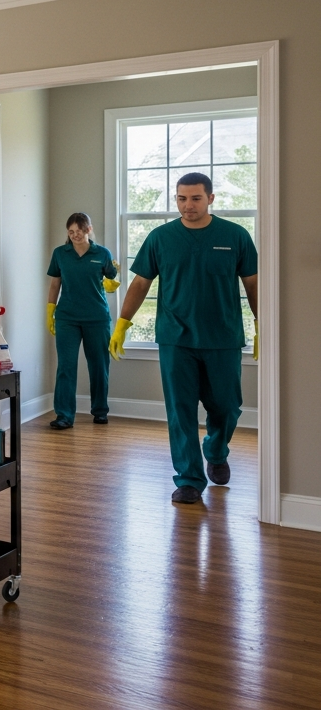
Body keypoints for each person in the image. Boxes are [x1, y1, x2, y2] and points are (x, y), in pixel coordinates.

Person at [112, 173, 258, 505]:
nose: (187, 205)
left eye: (194, 198)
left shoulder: (235, 236)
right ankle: (189, 478)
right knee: (180, 411)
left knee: (227, 407)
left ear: (211, 198)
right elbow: (139, 284)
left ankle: (216, 451)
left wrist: (264, 326)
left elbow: (252, 284)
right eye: (181, 198)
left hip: (223, 337)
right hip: (175, 338)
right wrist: (122, 323)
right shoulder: (161, 238)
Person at [45, 212, 119, 429]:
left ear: (89, 229)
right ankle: (64, 415)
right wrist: (51, 311)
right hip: (67, 318)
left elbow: (112, 277)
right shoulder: (60, 253)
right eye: (70, 232)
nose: (75, 235)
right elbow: (54, 284)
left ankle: (100, 411)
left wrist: (113, 280)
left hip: (96, 317)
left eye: (79, 231)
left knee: (98, 365)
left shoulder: (102, 253)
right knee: (66, 366)